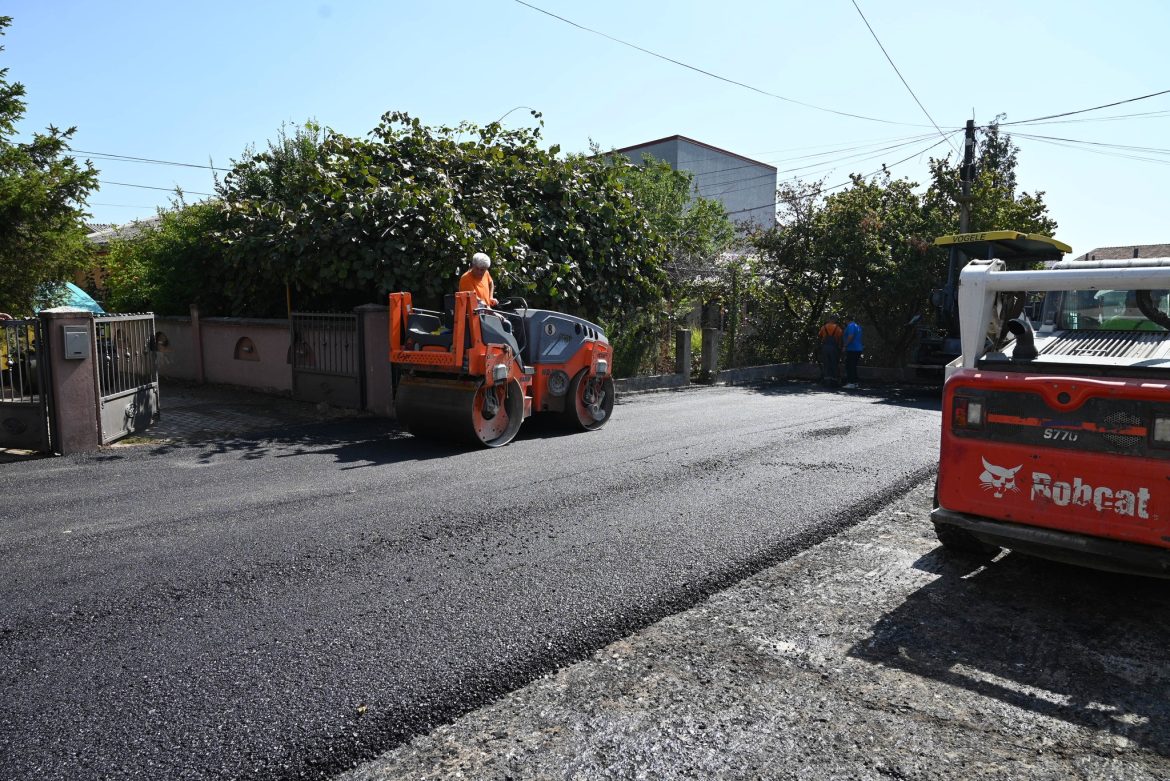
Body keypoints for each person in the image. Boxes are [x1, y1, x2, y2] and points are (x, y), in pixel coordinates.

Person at [817, 313, 843, 387]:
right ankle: (834, 380)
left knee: (826, 363)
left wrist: (819, 347)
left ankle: (826, 380)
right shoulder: (838, 328)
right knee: (834, 363)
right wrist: (840, 348)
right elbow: (840, 339)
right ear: (835, 320)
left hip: (825, 347)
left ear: (829, 319)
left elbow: (819, 336)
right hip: (834, 347)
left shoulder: (823, 327)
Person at [842, 314, 863, 389]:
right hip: (858, 348)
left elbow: (850, 336)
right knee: (853, 366)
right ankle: (855, 382)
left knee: (849, 365)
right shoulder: (857, 326)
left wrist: (845, 346)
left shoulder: (850, 326)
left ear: (847, 320)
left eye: (845, 320)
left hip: (852, 349)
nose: (844, 321)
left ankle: (851, 383)